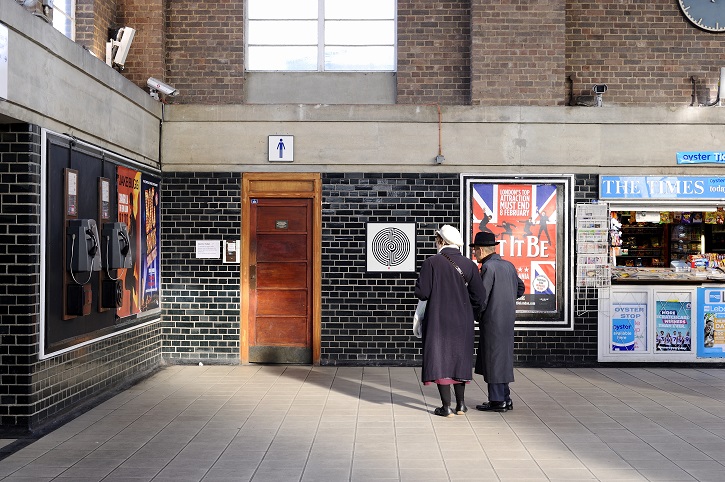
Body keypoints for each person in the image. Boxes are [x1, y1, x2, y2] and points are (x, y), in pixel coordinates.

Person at [415, 225, 485, 417]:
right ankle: (461, 405)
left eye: (436, 240)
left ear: (441, 241)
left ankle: (446, 407)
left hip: (438, 318)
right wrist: (467, 308)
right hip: (462, 319)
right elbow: (479, 296)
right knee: (459, 358)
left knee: (440, 358)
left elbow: (422, 292)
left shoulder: (432, 263)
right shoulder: (470, 265)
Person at [470, 231, 525, 412]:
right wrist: (506, 299)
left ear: (481, 250)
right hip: (507, 319)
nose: (474, 254)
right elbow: (520, 288)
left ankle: (497, 401)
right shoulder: (508, 266)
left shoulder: (488, 268)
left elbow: (481, 297)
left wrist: (475, 315)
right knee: (502, 360)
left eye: (475, 250)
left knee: (493, 360)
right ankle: (505, 398)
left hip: (492, 321)